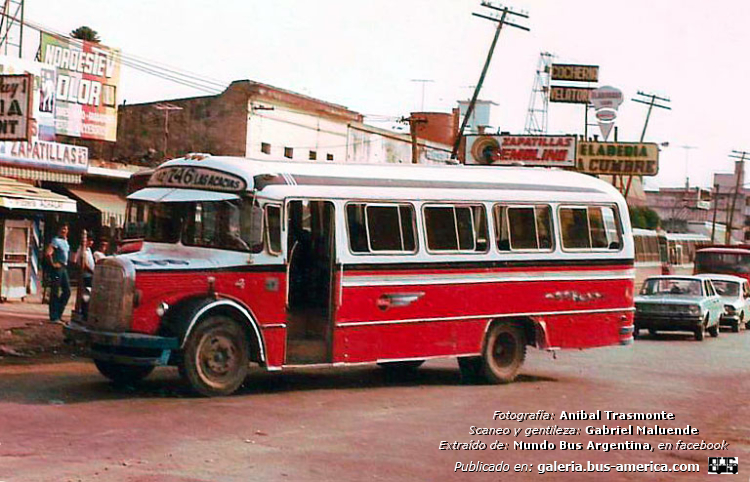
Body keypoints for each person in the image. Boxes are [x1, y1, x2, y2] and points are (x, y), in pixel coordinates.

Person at [45, 224, 71, 323]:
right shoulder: (56, 240)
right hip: (58, 267)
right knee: (55, 291)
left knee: (67, 291)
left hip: (64, 267)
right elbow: (48, 252)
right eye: (62, 229)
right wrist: (53, 264)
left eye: (66, 229)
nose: (64, 230)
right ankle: (54, 316)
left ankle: (59, 313)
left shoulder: (65, 241)